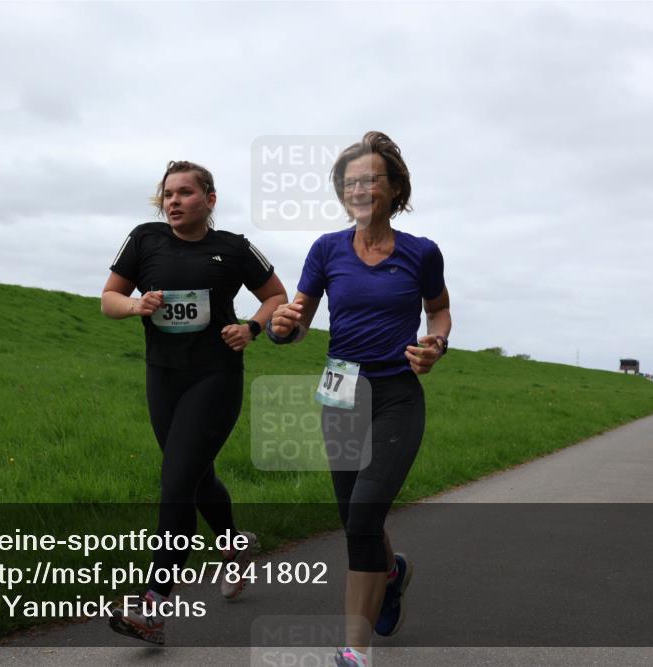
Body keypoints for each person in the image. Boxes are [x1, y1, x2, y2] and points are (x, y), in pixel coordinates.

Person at [268, 132, 450, 667]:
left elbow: (439, 311)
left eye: (371, 179)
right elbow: (297, 319)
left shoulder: (422, 253)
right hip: (341, 392)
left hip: (396, 395)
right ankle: (391, 574)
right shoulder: (326, 249)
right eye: (350, 182)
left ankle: (355, 650)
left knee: (366, 515)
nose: (360, 188)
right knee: (354, 518)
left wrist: (435, 343)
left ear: (395, 188)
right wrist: (283, 326)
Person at [101, 160, 287, 645]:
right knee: (196, 475)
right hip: (162, 377)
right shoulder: (144, 239)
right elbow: (109, 299)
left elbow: (276, 296)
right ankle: (234, 545)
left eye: (185, 193)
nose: (173, 201)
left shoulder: (233, 248)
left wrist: (251, 328)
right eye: (167, 194)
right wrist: (135, 305)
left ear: (209, 198)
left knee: (177, 481)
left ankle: (154, 606)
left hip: (215, 377)